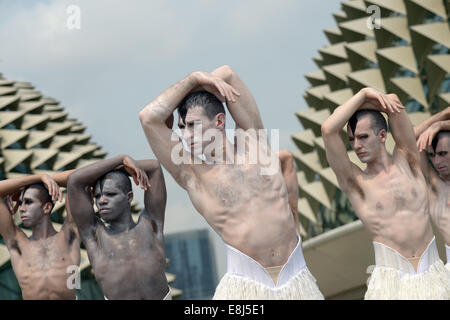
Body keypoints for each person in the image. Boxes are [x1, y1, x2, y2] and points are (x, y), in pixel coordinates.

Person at [139, 65, 323, 299]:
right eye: (182, 128)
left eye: (193, 125)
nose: (186, 136)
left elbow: (227, 74)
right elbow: (149, 118)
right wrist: (194, 78)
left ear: (219, 121)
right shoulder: (194, 174)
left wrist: (204, 85)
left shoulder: (255, 143)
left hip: (298, 279)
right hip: (245, 288)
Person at [321, 87, 450, 299]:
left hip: (434, 274)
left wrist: (367, 102)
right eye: (352, 139)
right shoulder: (356, 182)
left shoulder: (408, 160)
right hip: (392, 284)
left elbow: (393, 102)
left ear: (382, 135)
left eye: (362, 137)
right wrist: (364, 94)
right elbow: (328, 129)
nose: (356, 146)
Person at [66, 154, 169, 300]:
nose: (101, 201)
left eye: (110, 194)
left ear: (129, 197)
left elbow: (154, 167)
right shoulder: (95, 235)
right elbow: (74, 180)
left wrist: (127, 166)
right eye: (97, 196)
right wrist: (121, 159)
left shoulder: (150, 224)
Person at [0, 171, 80, 299]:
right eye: (21, 203)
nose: (21, 208)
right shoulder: (17, 243)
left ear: (47, 207)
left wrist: (47, 179)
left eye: (28, 202)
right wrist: (39, 177)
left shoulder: (69, 236)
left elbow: (76, 178)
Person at [414, 107, 450, 269]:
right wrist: (442, 115)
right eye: (432, 155)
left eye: (443, 154)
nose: (437, 162)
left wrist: (442, 125)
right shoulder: (434, 185)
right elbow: (411, 137)